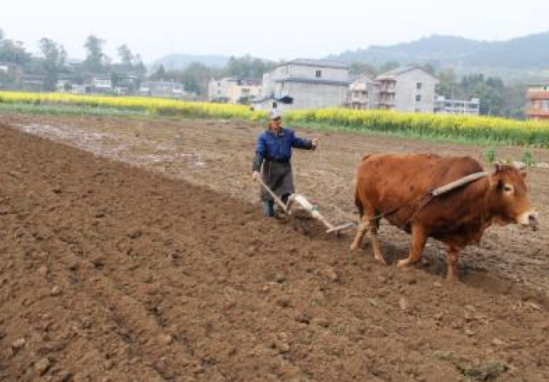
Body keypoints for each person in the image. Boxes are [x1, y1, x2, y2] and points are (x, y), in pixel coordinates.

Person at [252, 109, 318, 217]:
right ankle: (270, 216)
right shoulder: (263, 137)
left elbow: (298, 142)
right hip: (271, 168)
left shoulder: (288, 133)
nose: (277, 121)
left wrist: (310, 144)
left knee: (288, 191)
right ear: (270, 121)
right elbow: (259, 153)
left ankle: (282, 211)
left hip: (285, 167)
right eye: (275, 119)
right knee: (268, 195)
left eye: (278, 119)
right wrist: (256, 169)